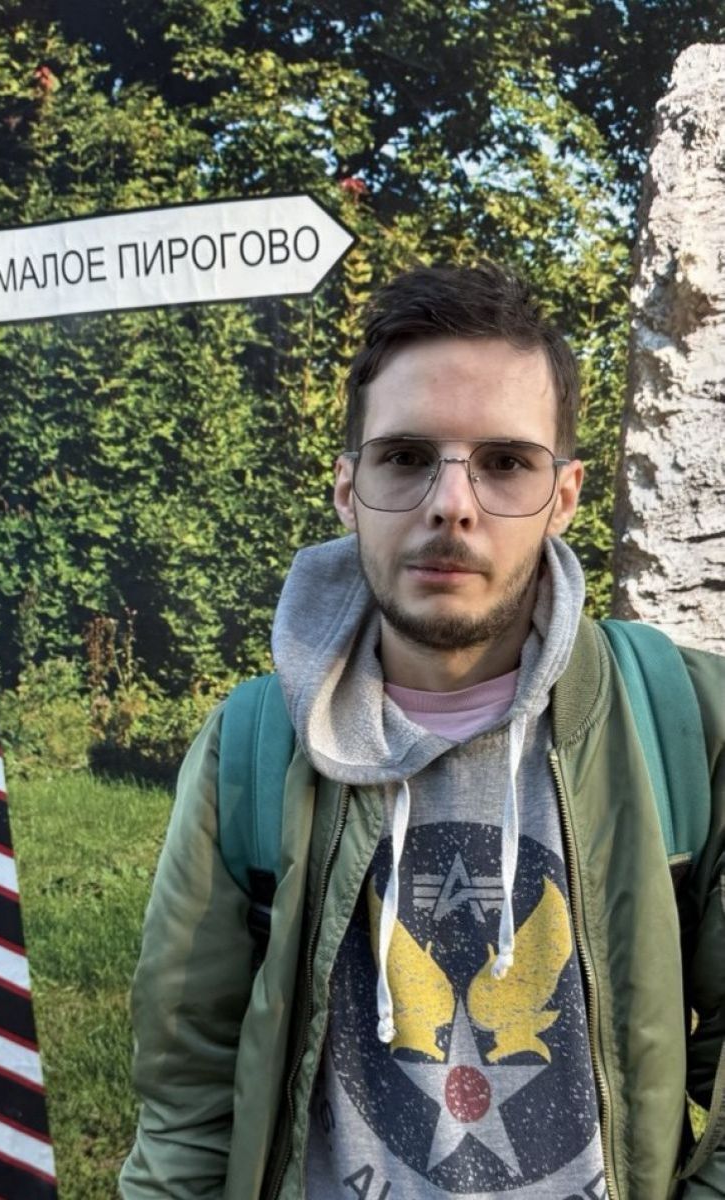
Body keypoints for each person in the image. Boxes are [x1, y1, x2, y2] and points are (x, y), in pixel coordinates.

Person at [119, 263, 725, 1199]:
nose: (453, 503)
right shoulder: (253, 747)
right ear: (346, 488)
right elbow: (186, 1105)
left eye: (505, 462)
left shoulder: (685, 726)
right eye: (405, 457)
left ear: (564, 496)